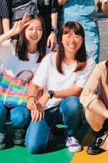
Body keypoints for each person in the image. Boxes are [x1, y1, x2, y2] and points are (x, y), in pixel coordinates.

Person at [25, 22, 95, 154]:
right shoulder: (51, 58)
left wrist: (51, 93)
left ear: (82, 39)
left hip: (67, 106)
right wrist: (31, 99)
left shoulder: (88, 61)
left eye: (76, 35)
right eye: (67, 35)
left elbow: (78, 90)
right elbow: (35, 85)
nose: (72, 40)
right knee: (34, 147)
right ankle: (51, 131)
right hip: (48, 107)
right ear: (61, 39)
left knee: (72, 103)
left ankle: (70, 134)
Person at [0, 14, 46, 150]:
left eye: (39, 29)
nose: (35, 33)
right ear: (23, 30)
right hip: (2, 96)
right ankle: (1, 131)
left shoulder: (45, 53)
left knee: (20, 117)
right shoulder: (11, 47)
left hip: (23, 100)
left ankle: (19, 129)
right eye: (30, 29)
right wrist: (12, 32)